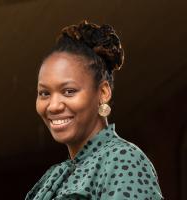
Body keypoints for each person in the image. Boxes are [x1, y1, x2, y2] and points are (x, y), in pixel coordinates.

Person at [25, 20, 164, 200]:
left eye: (69, 91)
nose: (53, 105)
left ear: (103, 92)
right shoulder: (54, 177)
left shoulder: (122, 159)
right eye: (44, 93)